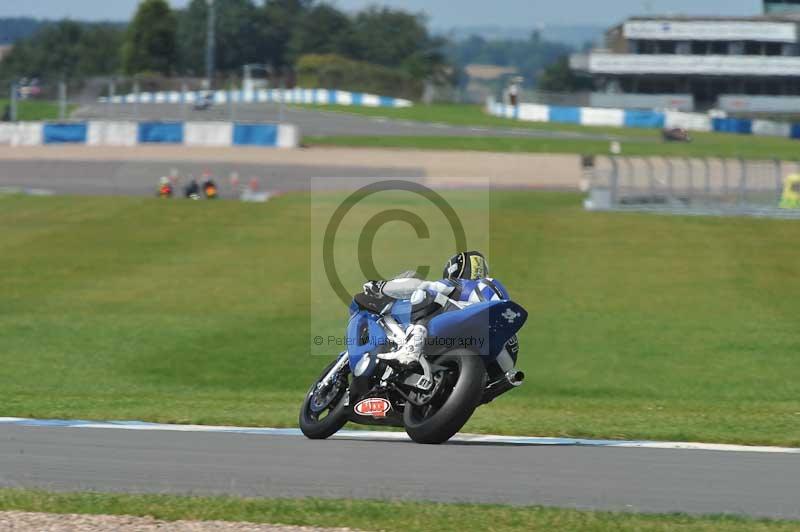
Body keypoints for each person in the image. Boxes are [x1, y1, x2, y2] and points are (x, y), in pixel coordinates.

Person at [360, 251, 509, 366]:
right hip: (495, 347)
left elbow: (426, 287)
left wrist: (382, 287)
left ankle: (411, 349)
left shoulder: (461, 284)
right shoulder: (496, 288)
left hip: (463, 321)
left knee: (425, 293)